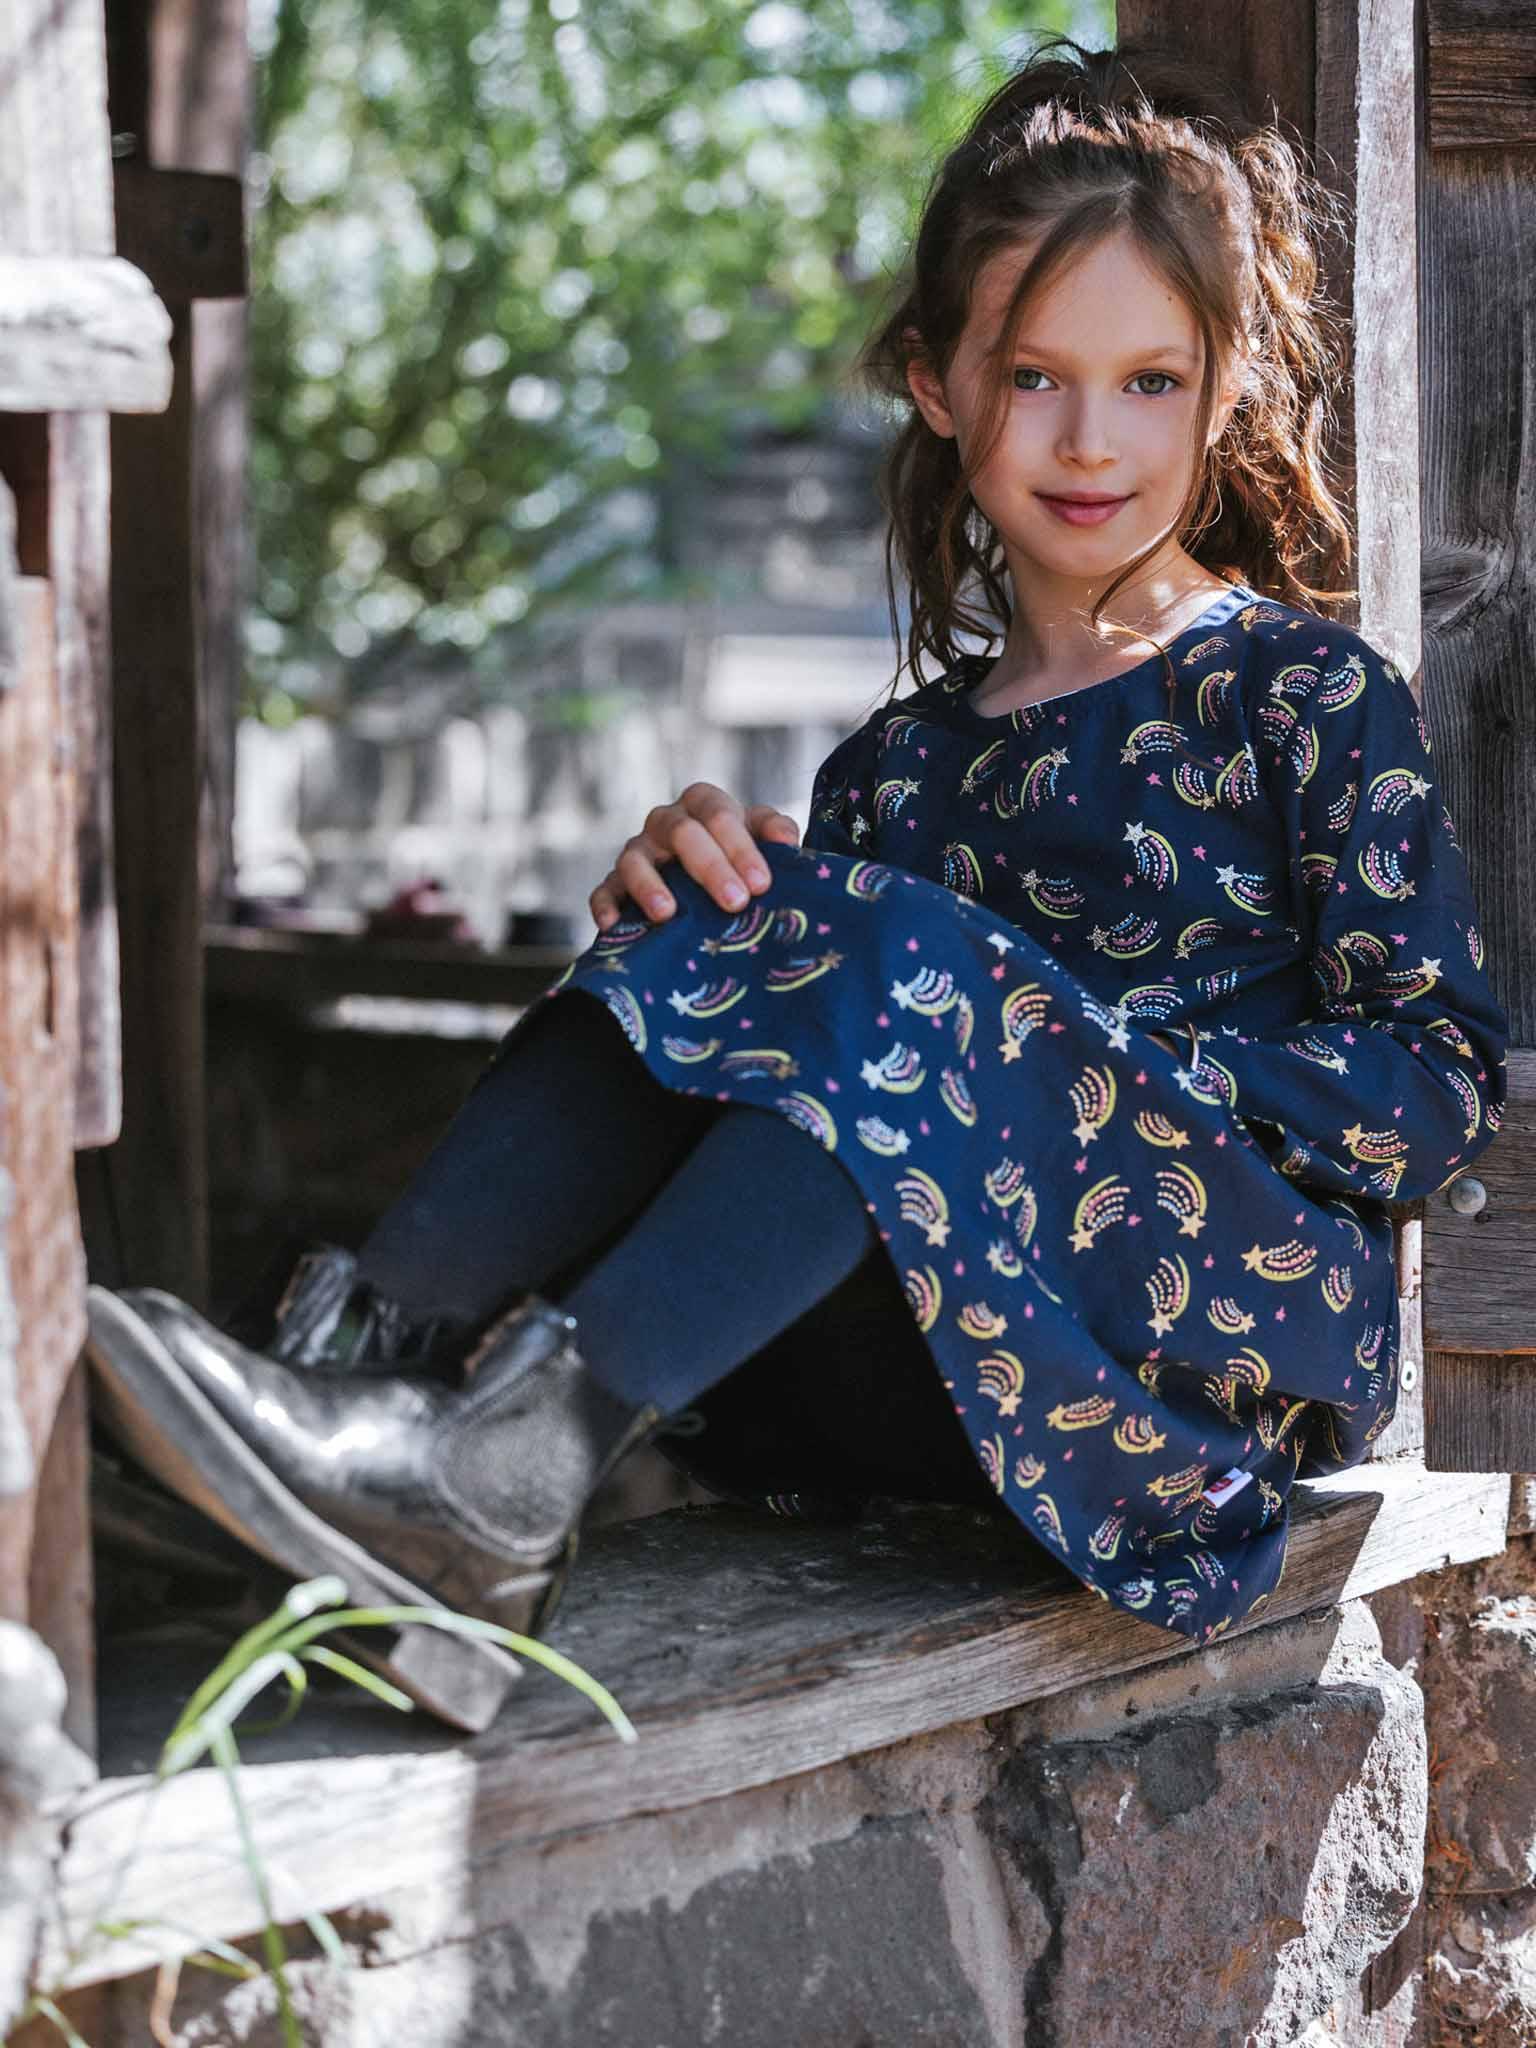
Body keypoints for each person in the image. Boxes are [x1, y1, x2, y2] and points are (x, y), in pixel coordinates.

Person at [86, 35, 1510, 1732]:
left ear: (1227, 387)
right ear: (935, 381)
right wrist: (672, 942)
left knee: (905, 978)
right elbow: (806, 1105)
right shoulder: (895, 771)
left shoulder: (1302, 697)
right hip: (927, 1378)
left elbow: (1433, 1095)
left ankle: (502, 1469)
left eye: (1150, 379)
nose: (1088, 437)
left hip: (1198, 1377)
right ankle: (353, 1407)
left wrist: (1056, 1057)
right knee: (717, 902)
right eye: (1035, 372)